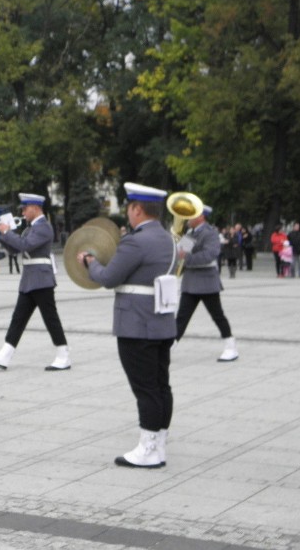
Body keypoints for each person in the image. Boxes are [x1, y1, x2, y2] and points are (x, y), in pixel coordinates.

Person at [77, 182, 177, 468]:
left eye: (129, 208)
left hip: (136, 323)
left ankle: (148, 449)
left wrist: (89, 262)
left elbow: (109, 277)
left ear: (136, 209)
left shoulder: (136, 241)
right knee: (161, 385)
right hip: (161, 321)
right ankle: (159, 442)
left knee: (145, 388)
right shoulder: (169, 239)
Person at [0, 193, 70, 371]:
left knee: (50, 319)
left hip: (41, 279)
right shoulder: (31, 228)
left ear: (35, 208)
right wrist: (1, 235)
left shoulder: (44, 227)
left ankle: (63, 355)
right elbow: (16, 248)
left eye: (25, 209)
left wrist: (7, 231)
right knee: (18, 319)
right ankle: (5, 355)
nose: (22, 212)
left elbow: (26, 246)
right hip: (31, 279)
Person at [175, 205, 238, 362]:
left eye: (191, 216)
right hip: (191, 282)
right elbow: (180, 254)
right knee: (182, 317)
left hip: (206, 282)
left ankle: (230, 346)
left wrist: (185, 258)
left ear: (201, 217)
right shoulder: (190, 233)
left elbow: (209, 255)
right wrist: (177, 253)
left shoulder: (210, 233)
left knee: (217, 315)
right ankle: (169, 345)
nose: (187, 219)